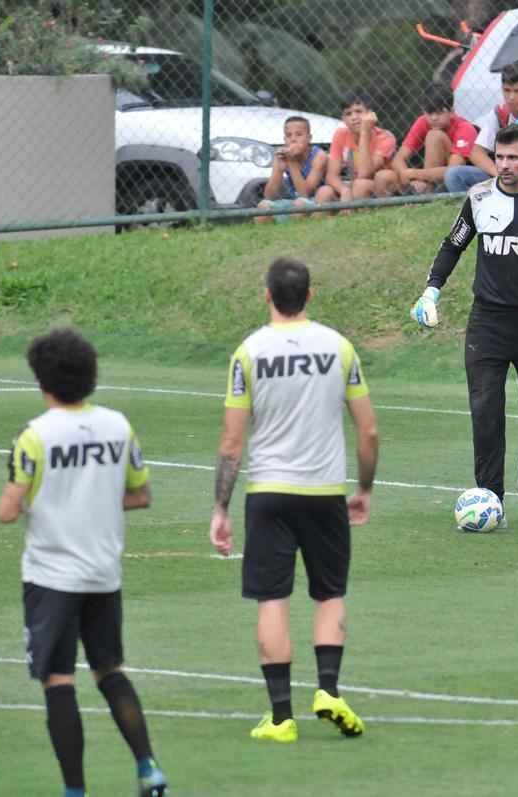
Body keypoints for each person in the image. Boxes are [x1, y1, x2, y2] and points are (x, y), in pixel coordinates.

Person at [209, 257, 379, 744]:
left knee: (272, 599)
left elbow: (231, 442)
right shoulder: (339, 348)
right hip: (325, 492)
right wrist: (363, 489)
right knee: (329, 593)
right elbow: (367, 430)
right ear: (310, 295)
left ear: (267, 295)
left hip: (268, 493)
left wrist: (221, 507)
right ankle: (328, 690)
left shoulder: (248, 353)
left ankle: (281, 719)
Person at [0, 328, 168, 797]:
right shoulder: (118, 426)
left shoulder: (34, 436)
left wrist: (46, 501)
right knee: (110, 671)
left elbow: (8, 511)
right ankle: (148, 767)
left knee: (58, 680)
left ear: (42, 381)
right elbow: (140, 495)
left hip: (52, 577)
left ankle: (75, 790)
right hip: (102, 573)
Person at [410, 124, 518, 525]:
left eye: (512, 158)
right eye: (499, 157)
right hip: (487, 323)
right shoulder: (478, 197)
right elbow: (453, 245)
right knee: (485, 409)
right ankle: (490, 499)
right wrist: (431, 291)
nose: (503, 165)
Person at [445, 62, 518, 193]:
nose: (511, 97)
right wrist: (499, 174)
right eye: (507, 90)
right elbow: (476, 152)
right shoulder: (500, 113)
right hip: (504, 174)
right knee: (453, 175)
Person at [375, 83, 477, 196]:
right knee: (383, 177)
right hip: (425, 177)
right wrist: (412, 179)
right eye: (429, 113)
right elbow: (399, 159)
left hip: (462, 183)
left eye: (439, 112)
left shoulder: (464, 128)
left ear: (451, 111)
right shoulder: (422, 122)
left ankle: (427, 193)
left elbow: (453, 171)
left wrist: (416, 174)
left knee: (435, 136)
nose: (433, 118)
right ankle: (412, 199)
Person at [315, 91, 397, 210]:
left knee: (361, 185)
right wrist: (344, 190)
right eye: (348, 114)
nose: (354, 117)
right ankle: (322, 225)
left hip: (379, 187)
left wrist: (364, 132)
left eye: (359, 111)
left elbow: (365, 174)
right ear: (343, 119)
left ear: (370, 114)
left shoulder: (385, 137)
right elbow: (331, 175)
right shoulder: (341, 134)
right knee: (324, 191)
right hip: (354, 186)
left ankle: (360, 219)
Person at [256, 116, 328, 223]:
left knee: (300, 204)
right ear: (284, 140)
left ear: (309, 138)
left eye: (299, 134)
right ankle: (271, 236)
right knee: (263, 206)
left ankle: (294, 230)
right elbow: (269, 196)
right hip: (292, 202)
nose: (293, 139)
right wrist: (278, 169)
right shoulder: (284, 155)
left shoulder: (319, 156)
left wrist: (291, 162)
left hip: (315, 203)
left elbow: (305, 194)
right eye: (289, 135)